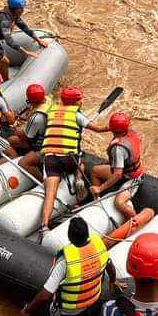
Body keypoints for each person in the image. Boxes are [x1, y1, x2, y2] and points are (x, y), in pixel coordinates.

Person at [22, 217, 120, 316]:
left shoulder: (65, 261)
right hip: (93, 298)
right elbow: (110, 265)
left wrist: (28, 309)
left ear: (69, 237)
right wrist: (113, 280)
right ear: (87, 234)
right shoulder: (98, 246)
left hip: (69, 308)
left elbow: (46, 294)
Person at [38, 86, 108, 233]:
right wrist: (113, 127)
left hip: (51, 159)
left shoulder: (51, 111)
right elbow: (99, 129)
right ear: (76, 102)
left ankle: (44, 226)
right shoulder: (77, 115)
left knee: (50, 192)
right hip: (70, 161)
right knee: (80, 161)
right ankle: (78, 179)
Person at [0, 0, 49, 80]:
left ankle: (6, 81)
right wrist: (26, 52)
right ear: (15, 9)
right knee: (3, 61)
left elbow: (25, 28)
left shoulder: (12, 14)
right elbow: (9, 41)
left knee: (5, 62)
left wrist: (39, 40)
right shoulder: (5, 21)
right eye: (21, 8)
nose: (23, 10)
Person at [89, 112, 145, 221]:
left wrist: (99, 188)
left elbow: (117, 174)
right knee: (95, 171)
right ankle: (97, 202)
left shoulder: (118, 149)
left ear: (112, 128)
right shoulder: (131, 132)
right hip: (125, 170)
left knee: (119, 203)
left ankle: (136, 221)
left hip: (132, 177)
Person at [6, 83, 49, 182]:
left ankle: (42, 181)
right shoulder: (47, 101)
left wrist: (14, 124)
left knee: (23, 163)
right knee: (11, 140)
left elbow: (26, 136)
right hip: (46, 136)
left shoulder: (37, 117)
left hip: (43, 147)